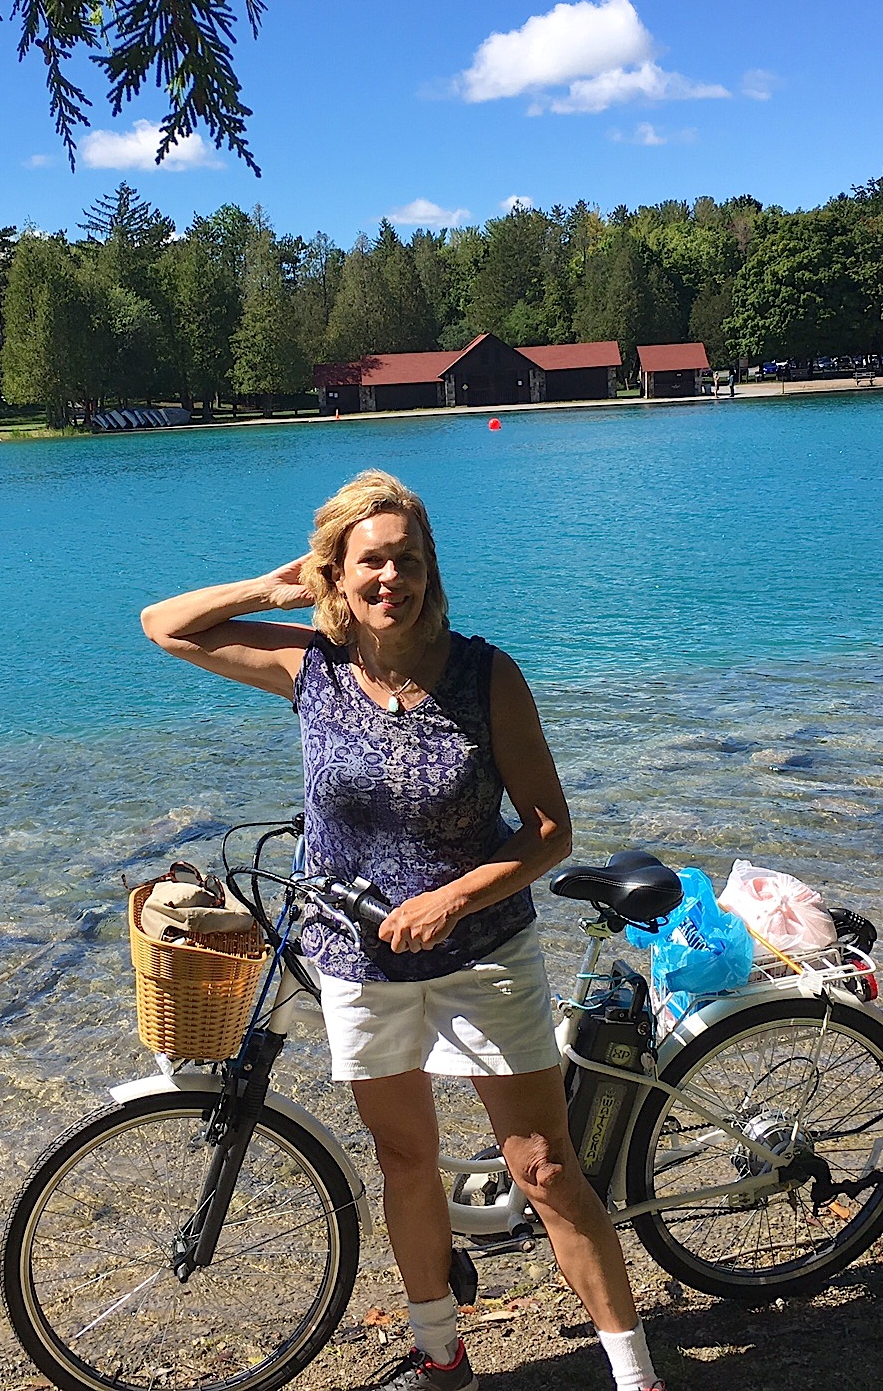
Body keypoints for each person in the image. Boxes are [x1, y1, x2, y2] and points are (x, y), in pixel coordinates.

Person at [140, 469, 662, 1391]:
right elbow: (165, 625)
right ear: (335, 574)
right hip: (354, 961)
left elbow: (550, 829)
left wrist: (453, 899)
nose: (393, 579)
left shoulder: (485, 675)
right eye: (370, 562)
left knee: (544, 1169)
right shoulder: (312, 667)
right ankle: (441, 1356)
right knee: (407, 1161)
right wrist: (274, 588)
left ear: (432, 570)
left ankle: (634, 1374)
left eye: (409, 561)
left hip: (484, 952)